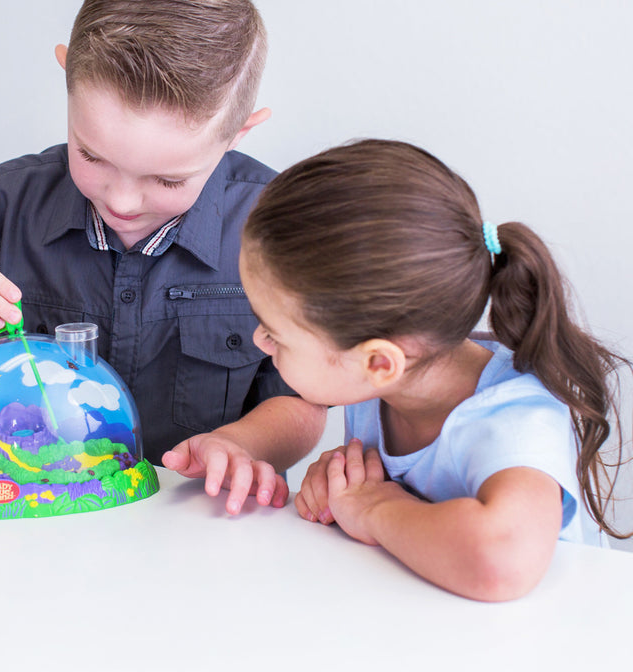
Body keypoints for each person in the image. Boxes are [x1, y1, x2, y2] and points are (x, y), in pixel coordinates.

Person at [0, 0, 327, 510]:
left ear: (238, 133)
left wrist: (237, 444)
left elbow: (303, 402)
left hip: (191, 522)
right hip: (23, 517)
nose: (121, 200)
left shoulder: (276, 225)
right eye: (91, 156)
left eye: (166, 180)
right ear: (67, 76)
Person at [237, 138, 630, 601]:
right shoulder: (379, 389)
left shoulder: (513, 415)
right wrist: (343, 483)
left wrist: (376, 507)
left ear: (380, 362)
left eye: (275, 333)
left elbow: (500, 560)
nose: (259, 340)